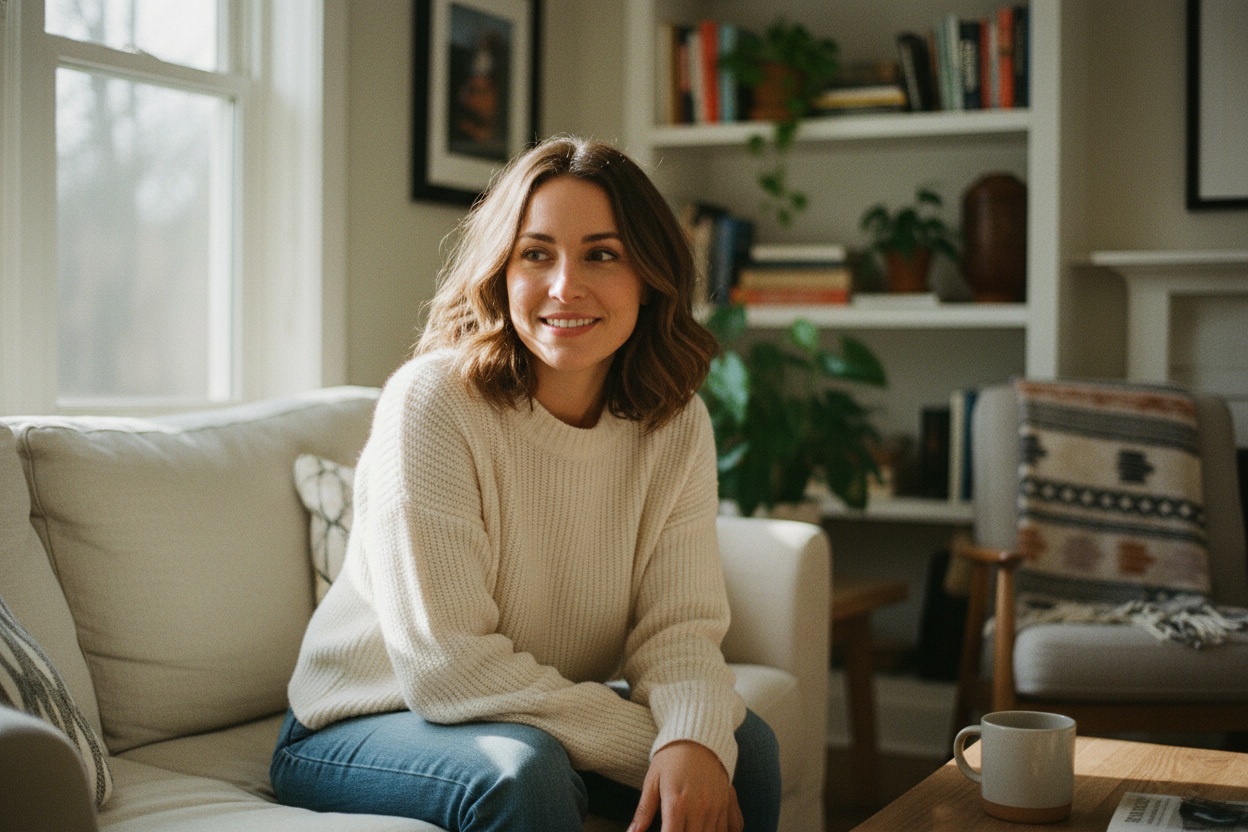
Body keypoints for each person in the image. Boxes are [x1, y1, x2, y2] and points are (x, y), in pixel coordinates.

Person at [271, 135, 782, 832]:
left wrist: (694, 737)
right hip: (358, 722)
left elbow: (679, 629)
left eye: (601, 254)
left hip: (520, 713)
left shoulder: (676, 422)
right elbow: (447, 666)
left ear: (648, 274)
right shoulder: (433, 404)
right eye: (535, 254)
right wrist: (660, 748)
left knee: (743, 749)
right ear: (500, 271)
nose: (564, 286)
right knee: (528, 770)